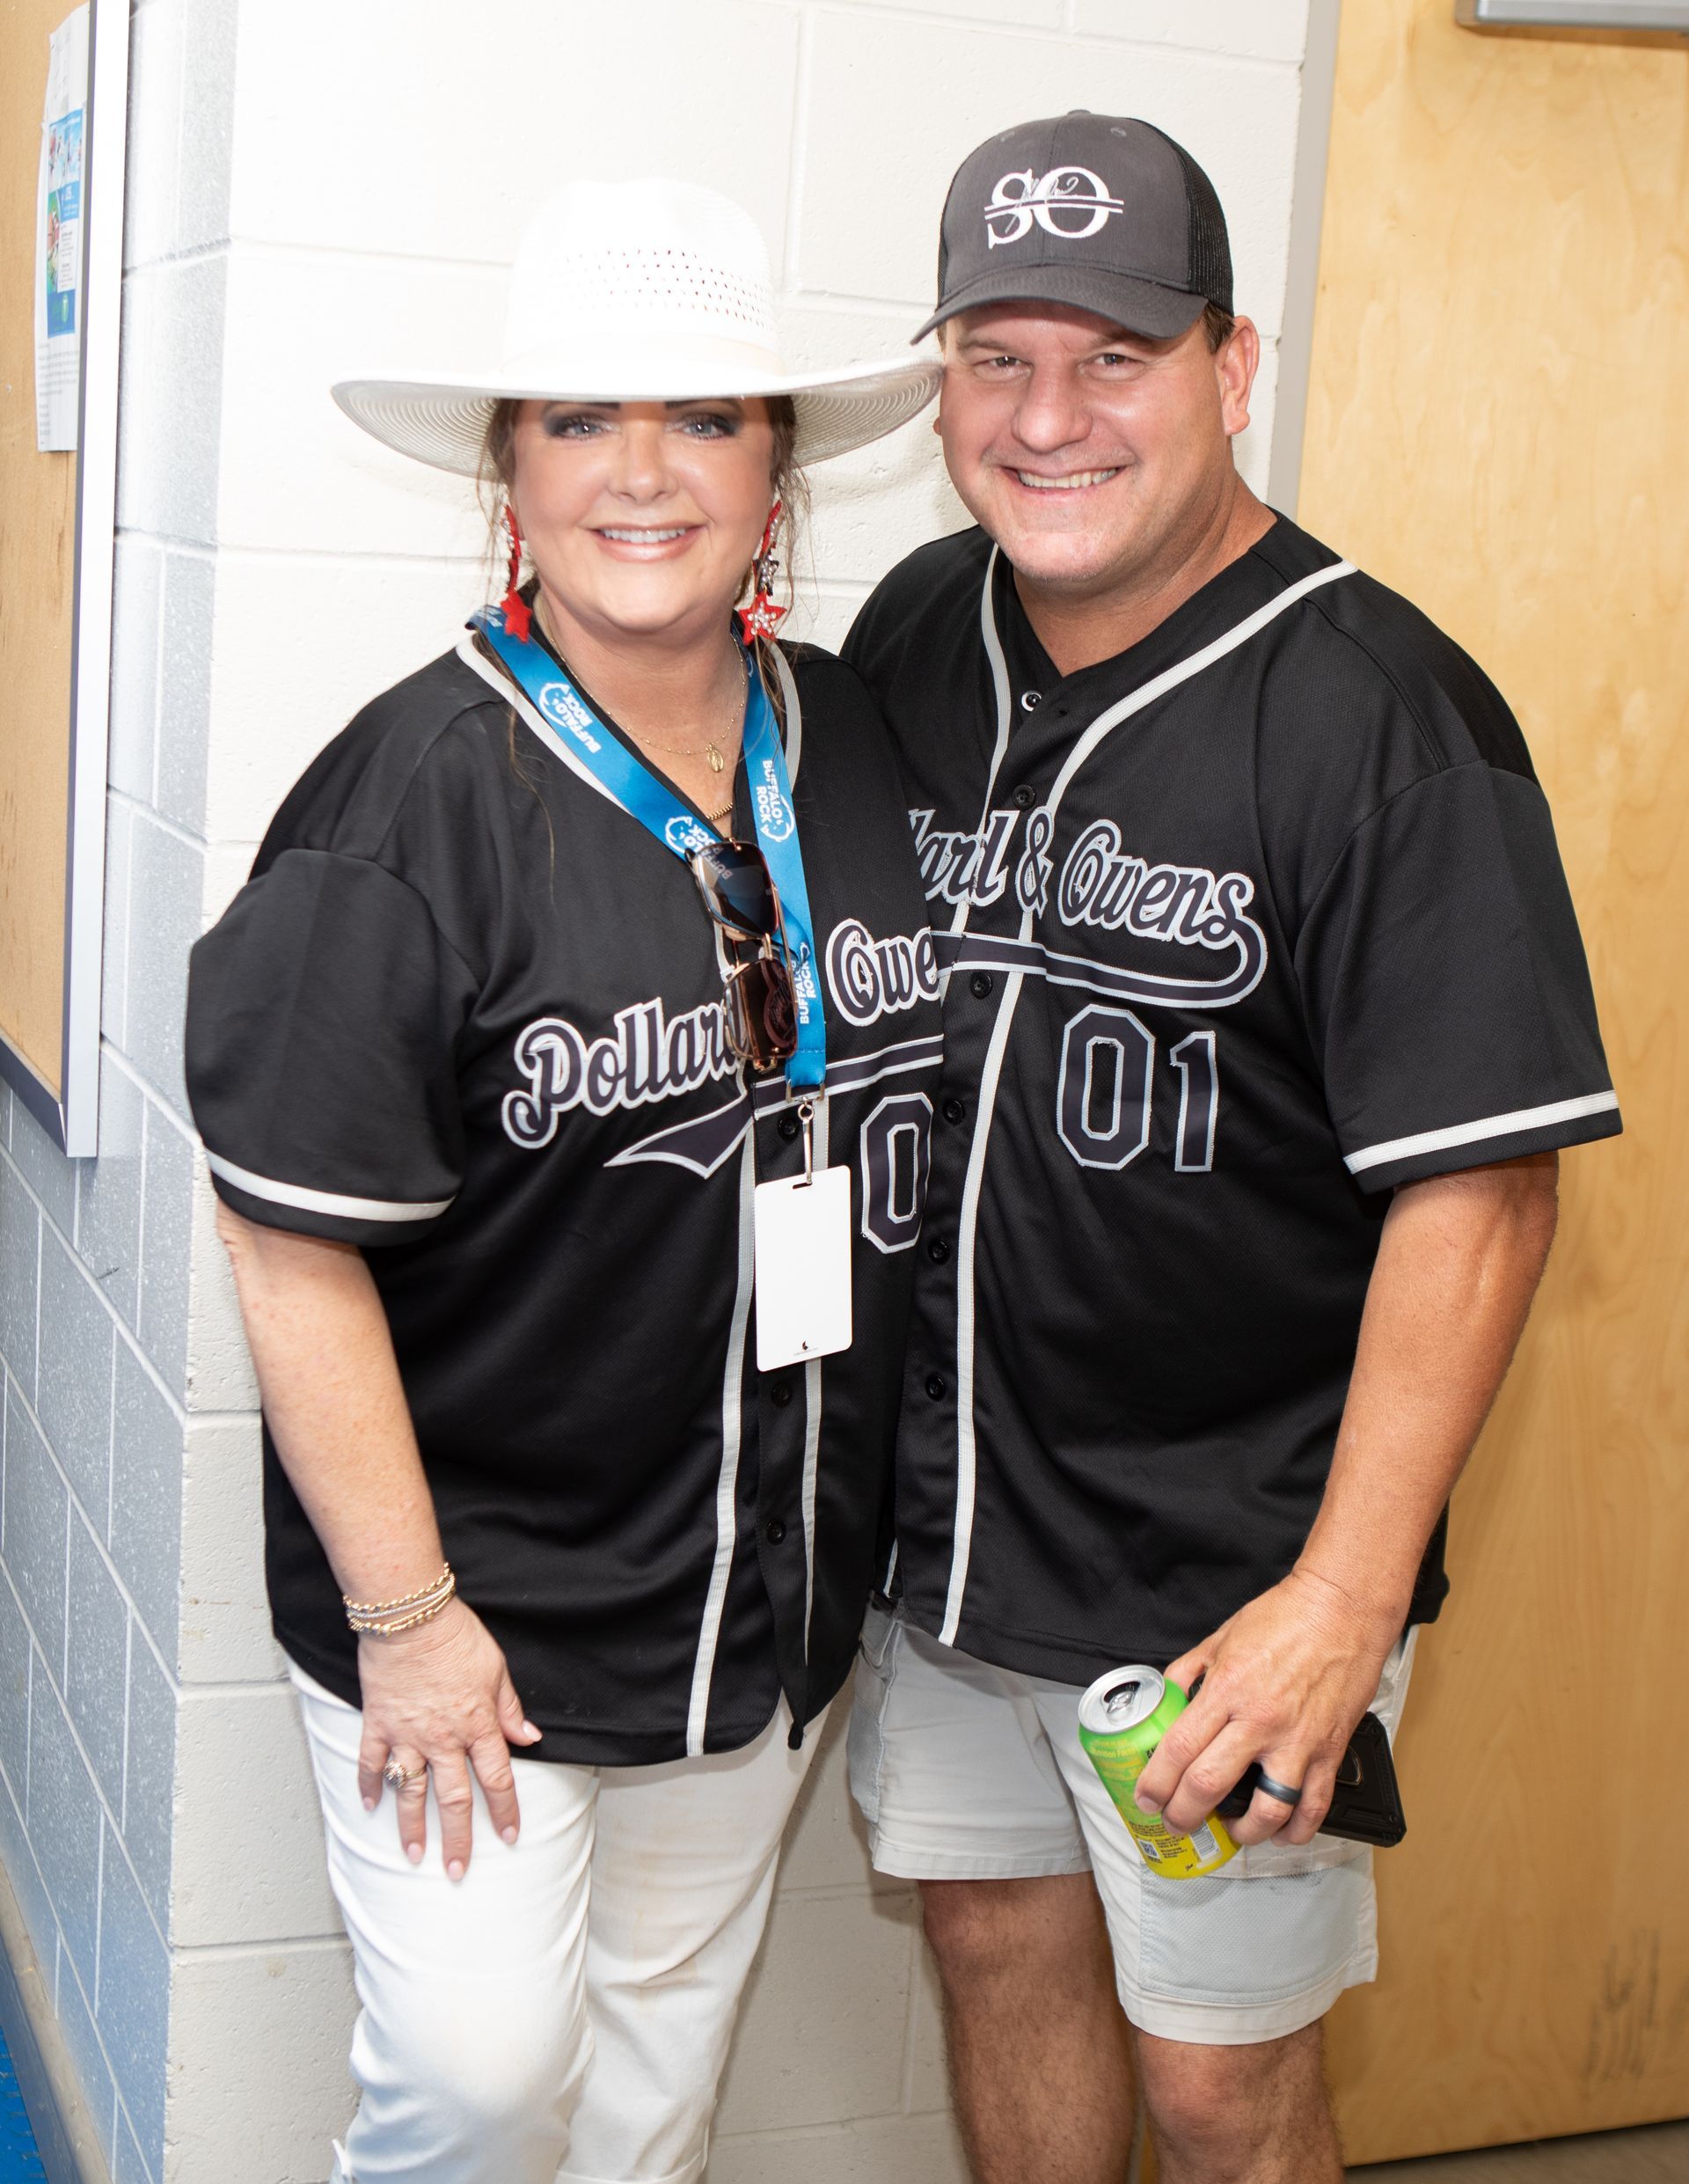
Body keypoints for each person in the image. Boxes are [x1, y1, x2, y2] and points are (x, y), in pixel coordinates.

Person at [843, 113, 1620, 2184]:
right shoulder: (923, 634)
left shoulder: (1385, 710)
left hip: (1230, 1572)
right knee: (1000, 1951)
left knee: (1219, 2075)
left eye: (1114, 356)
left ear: (1230, 364)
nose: (1052, 417)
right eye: (998, 358)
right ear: (940, 388)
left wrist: (1344, 1601)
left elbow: (1488, 1192)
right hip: (947, 1533)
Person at [183, 178, 942, 2184]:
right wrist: (410, 1616)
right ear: (506, 466)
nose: (644, 472)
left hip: (758, 1586)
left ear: (778, 469)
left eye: (703, 420)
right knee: (475, 2084)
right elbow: (288, 1239)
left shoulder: (848, 737)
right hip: (483, 1612)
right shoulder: (403, 796)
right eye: (581, 419)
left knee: (648, 2096)